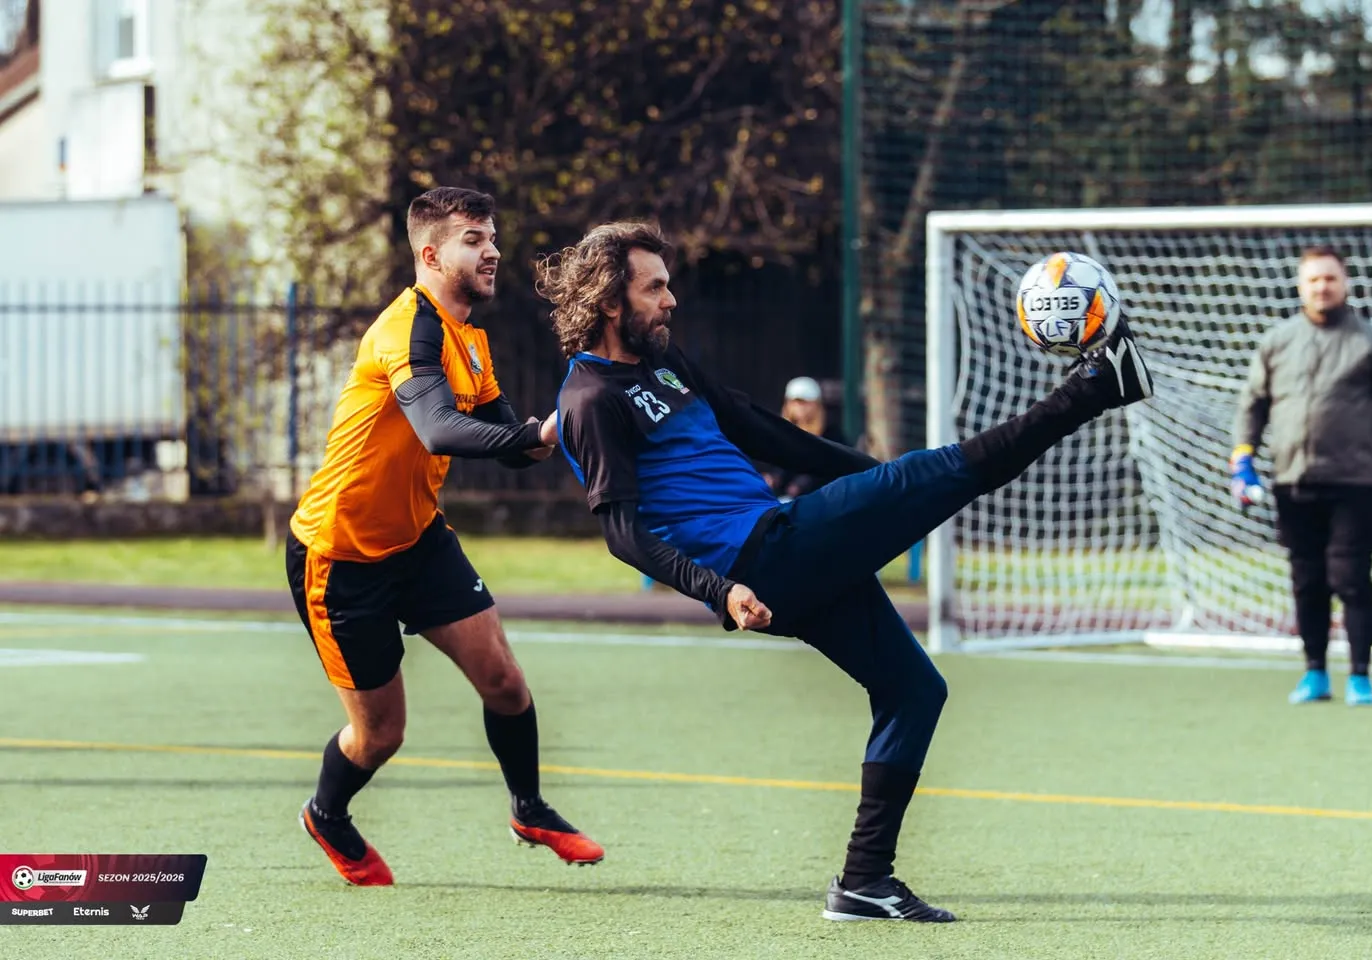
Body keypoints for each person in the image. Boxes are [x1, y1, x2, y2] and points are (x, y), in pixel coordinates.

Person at [535, 222, 1153, 922]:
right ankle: (1097, 385)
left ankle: (864, 880)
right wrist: (721, 590)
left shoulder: (663, 361)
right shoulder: (589, 400)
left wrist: (869, 476)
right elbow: (622, 534)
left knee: (914, 691)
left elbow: (756, 426)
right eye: (654, 288)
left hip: (784, 548)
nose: (670, 299)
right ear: (609, 301)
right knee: (941, 473)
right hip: (761, 559)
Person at [285, 187, 603, 886]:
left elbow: (514, 444)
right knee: (381, 735)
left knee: (505, 683)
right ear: (430, 255)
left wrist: (577, 419)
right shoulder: (406, 330)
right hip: (340, 558)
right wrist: (538, 432)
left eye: (493, 237)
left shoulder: (469, 340)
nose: (492, 251)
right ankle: (326, 813)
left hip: (419, 540)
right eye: (473, 239)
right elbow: (437, 428)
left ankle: (529, 808)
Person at [1231, 244, 1372, 707]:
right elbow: (1252, 406)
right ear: (1301, 286)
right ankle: (1314, 671)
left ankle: (1360, 676)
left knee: (1351, 577)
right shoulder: (1277, 342)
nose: (1322, 287)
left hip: (1356, 483)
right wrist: (1243, 460)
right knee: (1307, 580)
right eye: (1314, 279)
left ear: (1345, 283)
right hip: (1293, 481)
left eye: (1330, 278)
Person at [763, 376, 851, 500]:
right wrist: (773, 477)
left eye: (805, 403)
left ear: (816, 404)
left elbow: (834, 467)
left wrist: (803, 484)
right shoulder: (779, 431)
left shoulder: (831, 433)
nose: (800, 407)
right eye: (794, 402)